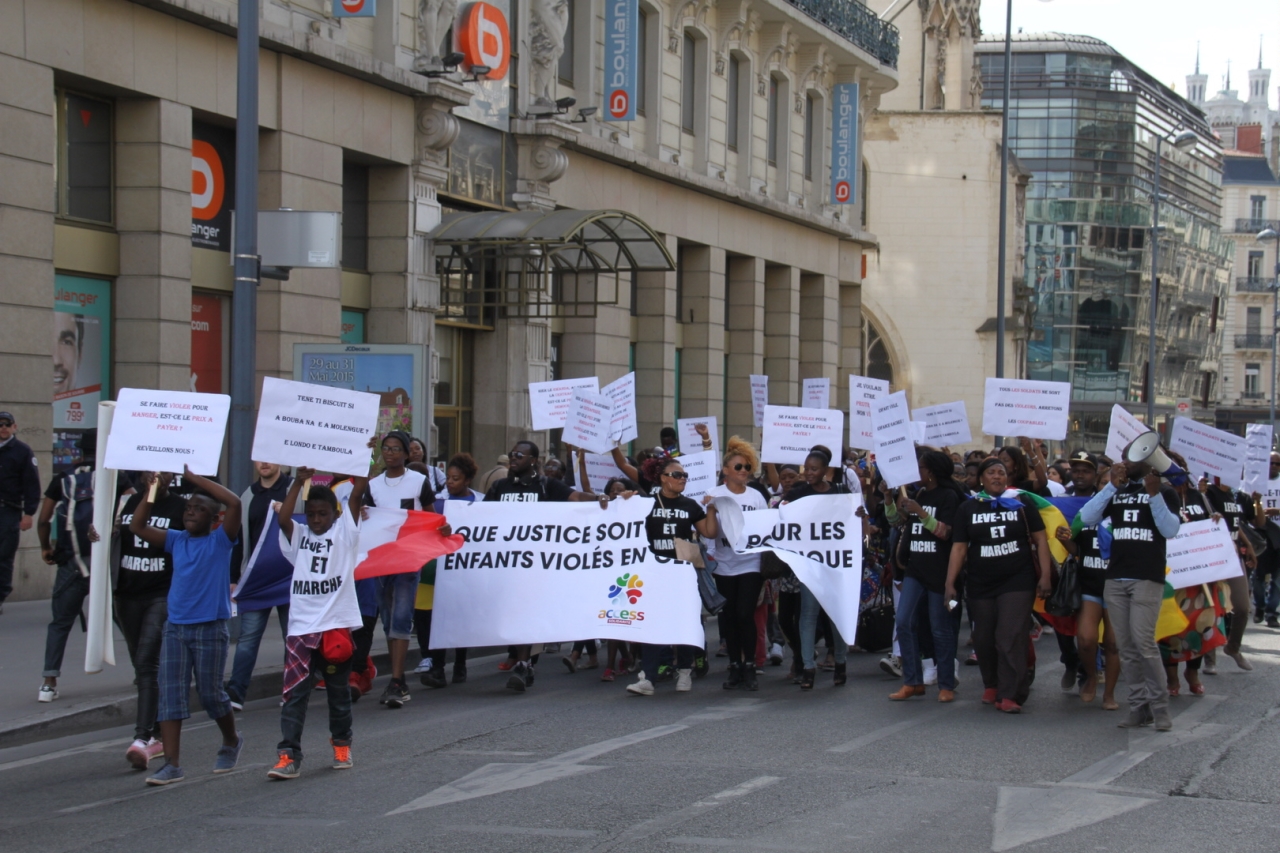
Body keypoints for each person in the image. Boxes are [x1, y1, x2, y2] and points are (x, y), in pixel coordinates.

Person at [130, 468, 243, 786]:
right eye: (188, 508)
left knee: (211, 695)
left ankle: (232, 739)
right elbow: (138, 526)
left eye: (200, 508)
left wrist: (191, 478)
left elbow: (234, 503)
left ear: (214, 518)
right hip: (176, 628)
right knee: (171, 696)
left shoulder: (222, 541)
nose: (191, 511)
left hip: (210, 629)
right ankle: (172, 764)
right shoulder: (176, 540)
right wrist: (151, 492)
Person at [266, 471, 364, 779]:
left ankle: (341, 744)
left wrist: (365, 463)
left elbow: (358, 493)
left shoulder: (345, 534)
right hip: (301, 629)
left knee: (338, 693)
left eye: (322, 514)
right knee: (295, 694)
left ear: (336, 514)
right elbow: (283, 519)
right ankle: (288, 755)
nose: (316, 520)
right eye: (310, 515)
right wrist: (298, 481)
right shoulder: (299, 536)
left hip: (335, 628)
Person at [485, 439, 605, 691]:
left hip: (537, 566)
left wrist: (601, 499)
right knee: (515, 614)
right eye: (512, 454)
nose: (514, 457)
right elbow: (479, 519)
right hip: (507, 564)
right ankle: (524, 662)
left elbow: (575, 497)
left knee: (526, 613)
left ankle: (523, 663)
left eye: (519, 455)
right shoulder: (499, 487)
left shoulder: (546, 486)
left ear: (533, 461)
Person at [1079, 454, 1183, 732]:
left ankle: (1160, 709)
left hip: (1147, 577)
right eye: (1123, 457)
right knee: (1125, 647)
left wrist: (1154, 495)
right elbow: (1087, 517)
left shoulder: (1165, 491)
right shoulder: (1118, 490)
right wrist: (1111, 487)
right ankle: (1139, 707)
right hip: (1115, 578)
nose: (1125, 461)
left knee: (1144, 643)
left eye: (1132, 457)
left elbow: (1170, 529)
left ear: (1149, 462)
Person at [945, 457, 1053, 713]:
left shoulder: (1022, 503)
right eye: (991, 473)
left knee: (1010, 636)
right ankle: (991, 683)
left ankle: (1010, 693)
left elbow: (1041, 540)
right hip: (981, 583)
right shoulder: (968, 508)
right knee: (983, 638)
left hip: (1018, 580)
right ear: (982, 478)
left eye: (1001, 473)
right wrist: (950, 582)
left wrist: (1046, 575)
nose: (997, 477)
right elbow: (959, 548)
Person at [627, 456, 719, 696]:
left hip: (683, 573)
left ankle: (685, 672)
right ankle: (648, 677)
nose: (683, 479)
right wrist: (623, 501)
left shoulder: (690, 505)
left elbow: (709, 531)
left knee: (684, 622)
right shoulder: (646, 503)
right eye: (677, 475)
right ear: (663, 478)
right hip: (654, 573)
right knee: (652, 624)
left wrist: (711, 508)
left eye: (685, 476)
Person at [114, 471, 186, 769]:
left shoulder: (182, 508)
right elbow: (112, 536)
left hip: (162, 593)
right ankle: (157, 730)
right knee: (140, 663)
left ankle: (141, 738)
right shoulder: (128, 503)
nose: (157, 475)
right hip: (128, 594)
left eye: (165, 470)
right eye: (150, 470)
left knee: (147, 661)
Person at [362, 430, 437, 709]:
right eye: (386, 448)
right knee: (388, 619)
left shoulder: (419, 482)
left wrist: (438, 530)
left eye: (396, 448)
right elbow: (365, 515)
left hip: (408, 558)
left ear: (406, 453)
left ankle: (396, 680)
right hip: (382, 559)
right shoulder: (374, 485)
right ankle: (397, 677)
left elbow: (430, 516)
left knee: (403, 616)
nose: (390, 452)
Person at [886, 450, 963, 702]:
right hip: (915, 570)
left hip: (939, 572)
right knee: (905, 622)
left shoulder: (949, 496)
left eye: (920, 467)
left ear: (931, 471)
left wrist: (922, 512)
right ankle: (912, 681)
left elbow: (946, 532)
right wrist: (890, 499)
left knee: (940, 629)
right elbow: (897, 521)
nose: (916, 471)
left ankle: (946, 684)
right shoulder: (919, 493)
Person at [225, 461, 294, 710]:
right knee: (248, 638)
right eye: (259, 458)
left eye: (269, 457)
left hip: (289, 577)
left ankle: (292, 690)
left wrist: (286, 511)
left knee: (292, 637)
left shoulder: (294, 489)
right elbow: (238, 538)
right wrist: (234, 578)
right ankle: (235, 692)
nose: (264, 463)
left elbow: (309, 524)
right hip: (256, 579)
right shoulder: (248, 495)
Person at [1054, 451, 1120, 710]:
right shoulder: (1085, 512)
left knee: (1114, 643)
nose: (1106, 490)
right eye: (1103, 485)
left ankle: (1110, 694)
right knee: (1086, 639)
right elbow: (1077, 550)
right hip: (1089, 585)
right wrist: (1064, 539)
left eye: (1110, 485)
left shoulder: (1123, 513)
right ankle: (1091, 676)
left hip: (1116, 586)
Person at [36, 432, 96, 703]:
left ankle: (48, 682)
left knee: (60, 623)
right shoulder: (117, 479)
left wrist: (46, 548)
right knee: (125, 619)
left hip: (71, 563)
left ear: (78, 451)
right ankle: (142, 674)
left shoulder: (63, 478)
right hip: (103, 565)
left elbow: (44, 518)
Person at [785, 447, 852, 688]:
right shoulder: (798, 493)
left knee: (834, 615)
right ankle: (808, 668)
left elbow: (852, 522)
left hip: (834, 566)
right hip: (809, 566)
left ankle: (841, 662)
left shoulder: (841, 492)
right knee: (808, 615)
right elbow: (783, 519)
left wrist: (860, 515)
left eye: (814, 469)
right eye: (806, 468)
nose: (809, 472)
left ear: (826, 470)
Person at [705, 437, 769, 691]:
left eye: (747, 467)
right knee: (729, 617)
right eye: (739, 467)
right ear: (726, 471)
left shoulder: (756, 497)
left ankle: (751, 665)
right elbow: (708, 532)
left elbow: (766, 527)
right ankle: (735, 666)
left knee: (745, 613)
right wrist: (709, 509)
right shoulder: (714, 494)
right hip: (724, 563)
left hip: (750, 563)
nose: (744, 471)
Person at [414, 453, 482, 688]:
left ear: (467, 480)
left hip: (464, 570)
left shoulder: (480, 504)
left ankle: (460, 664)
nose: (450, 483)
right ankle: (437, 667)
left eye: (456, 478)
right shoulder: (437, 502)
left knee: (458, 616)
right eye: (448, 478)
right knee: (431, 619)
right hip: (434, 569)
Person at [1202, 479, 1257, 672]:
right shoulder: (1209, 493)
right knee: (1212, 606)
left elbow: (1235, 523)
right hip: (1214, 555)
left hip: (1233, 556)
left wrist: (1247, 544)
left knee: (1242, 607)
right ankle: (1210, 659)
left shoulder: (1233, 494)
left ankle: (1233, 647)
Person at [0, 410, 41, 611]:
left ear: (14, 427)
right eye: (0, 425)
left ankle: (0, 593)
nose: (4, 428)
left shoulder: (22, 451)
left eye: (7, 424)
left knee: (4, 556)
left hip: (9, 510)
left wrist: (29, 513)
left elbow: (32, 485)